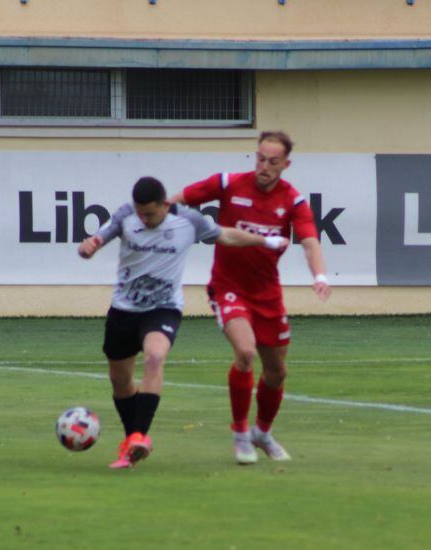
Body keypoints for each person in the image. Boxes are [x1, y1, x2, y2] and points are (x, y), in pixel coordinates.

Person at [78, 176, 288, 470]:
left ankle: (138, 436)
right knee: (120, 381)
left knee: (155, 356)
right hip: (124, 310)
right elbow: (100, 237)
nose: (144, 219)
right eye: (141, 213)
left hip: (163, 309)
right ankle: (133, 440)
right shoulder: (126, 215)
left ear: (165, 205)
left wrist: (267, 240)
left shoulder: (188, 220)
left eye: (150, 213)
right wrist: (90, 246)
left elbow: (227, 235)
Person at [168, 130, 331, 464]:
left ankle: (262, 432)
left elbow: (310, 240)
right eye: (260, 159)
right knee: (245, 352)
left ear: (286, 164)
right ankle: (240, 433)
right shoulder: (228, 184)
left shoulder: (293, 201)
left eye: (272, 162)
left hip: (268, 294)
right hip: (228, 286)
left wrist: (320, 276)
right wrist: (159, 216)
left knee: (277, 371)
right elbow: (178, 199)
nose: (264, 167)